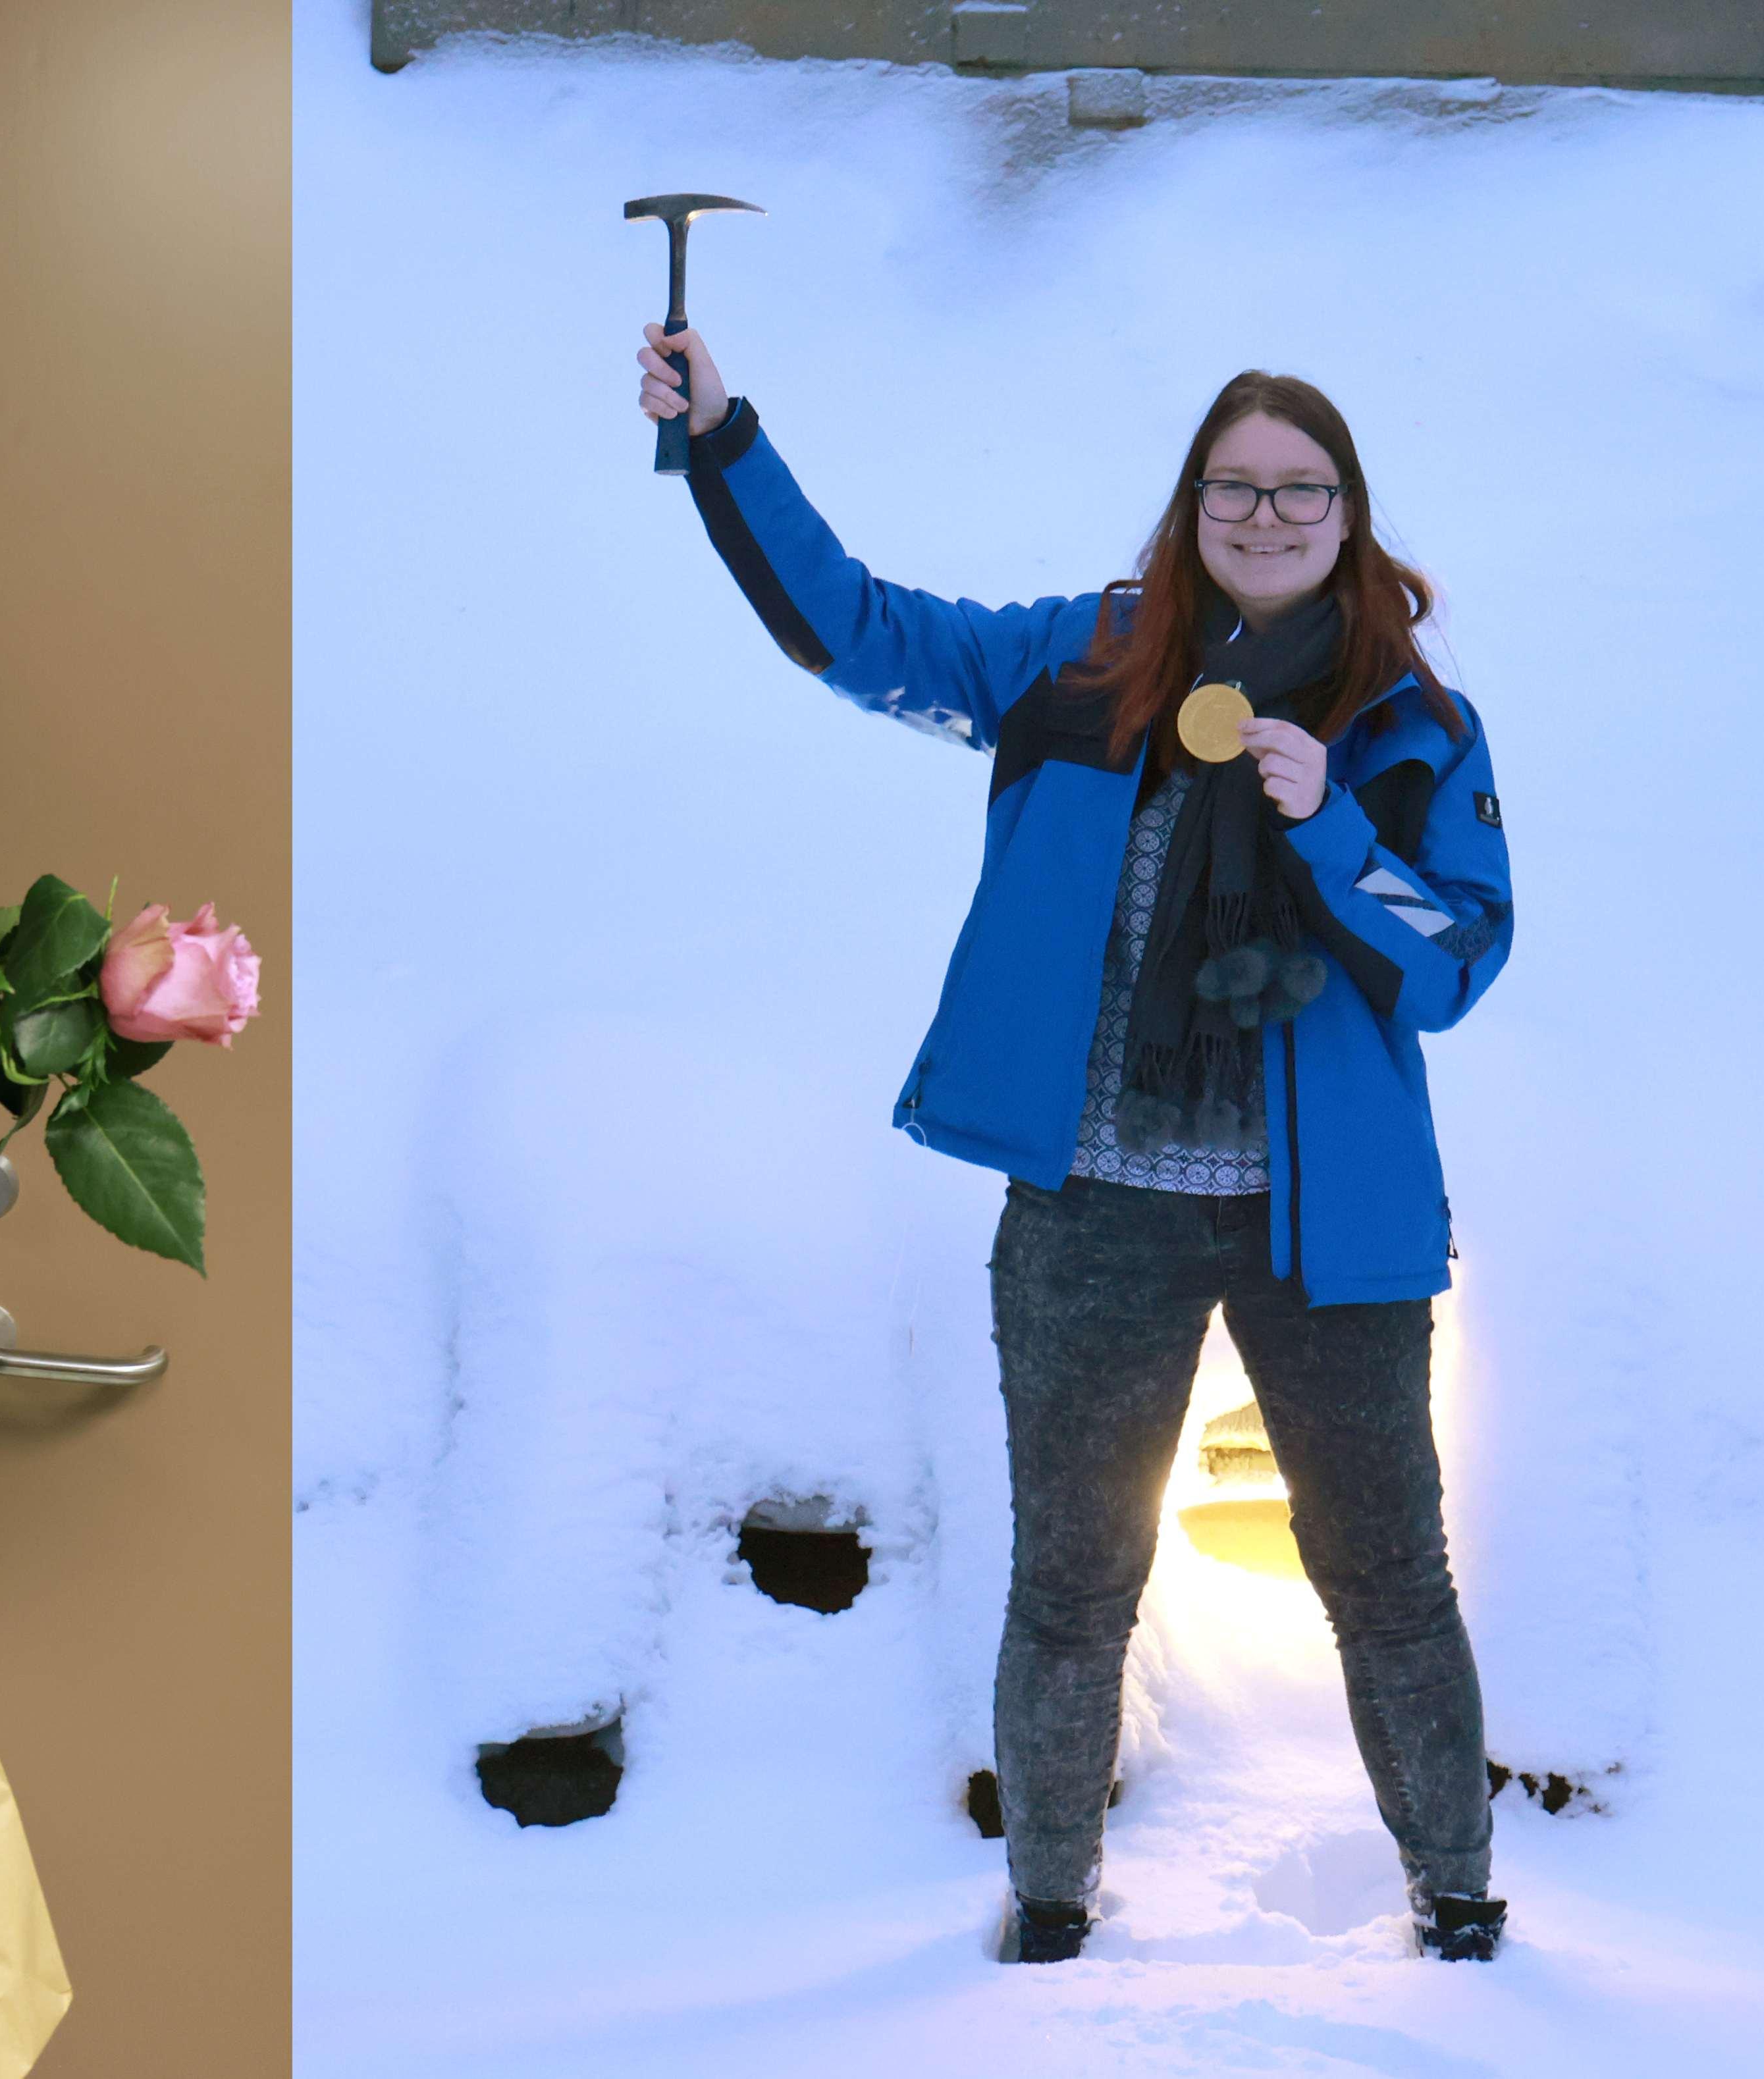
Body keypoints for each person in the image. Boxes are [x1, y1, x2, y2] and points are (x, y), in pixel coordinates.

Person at [638, 325, 1514, 1964]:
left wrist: (1325, 814)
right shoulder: (1082, 666)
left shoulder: (1408, 726)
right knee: (1071, 1579)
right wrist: (724, 439)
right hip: (1093, 1208)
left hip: (1323, 1230)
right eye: (1232, 485)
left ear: (1347, 513)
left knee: (1388, 1577)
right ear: (1190, 503)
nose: (1263, 514)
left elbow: (1455, 961)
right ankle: (1048, 1903)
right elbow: (852, 628)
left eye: (1297, 490)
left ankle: (1457, 1896)